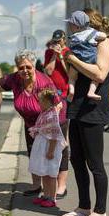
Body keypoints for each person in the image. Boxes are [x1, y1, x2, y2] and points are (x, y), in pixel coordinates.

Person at [0, 49, 65, 196]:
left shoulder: (43, 82)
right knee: (34, 154)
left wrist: (50, 132)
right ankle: (36, 186)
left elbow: (57, 106)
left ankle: (59, 189)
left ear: (34, 66)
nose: (25, 70)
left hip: (52, 123)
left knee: (53, 155)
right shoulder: (15, 79)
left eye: (28, 67)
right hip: (32, 125)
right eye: (21, 67)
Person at [60, 9, 109, 216]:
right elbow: (75, 72)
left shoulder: (106, 44)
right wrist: (67, 59)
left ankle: (101, 212)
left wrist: (72, 57)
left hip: (93, 108)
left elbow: (99, 74)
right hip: (78, 107)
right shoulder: (84, 44)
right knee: (77, 160)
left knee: (95, 163)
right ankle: (84, 207)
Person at [28, 89, 67, 207]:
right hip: (43, 146)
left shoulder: (51, 115)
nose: (38, 103)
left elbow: (54, 135)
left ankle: (52, 198)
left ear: (47, 102)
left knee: (51, 174)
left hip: (49, 147)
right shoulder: (44, 113)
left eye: (40, 101)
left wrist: (50, 151)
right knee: (44, 172)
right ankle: (46, 195)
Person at [44, 29, 70, 199]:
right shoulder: (48, 52)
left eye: (59, 41)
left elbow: (70, 74)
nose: (57, 44)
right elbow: (48, 72)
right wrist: (54, 55)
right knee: (49, 140)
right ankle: (50, 182)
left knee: (61, 139)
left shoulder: (69, 52)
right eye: (54, 41)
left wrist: (61, 56)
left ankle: (62, 184)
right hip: (50, 96)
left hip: (64, 96)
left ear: (64, 40)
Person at [64, 11, 107, 102]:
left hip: (76, 60)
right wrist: (98, 39)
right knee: (95, 79)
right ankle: (91, 91)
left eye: (71, 25)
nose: (69, 27)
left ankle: (71, 90)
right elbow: (104, 36)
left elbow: (71, 48)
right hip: (90, 60)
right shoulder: (91, 33)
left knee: (71, 78)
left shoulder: (74, 36)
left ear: (77, 26)